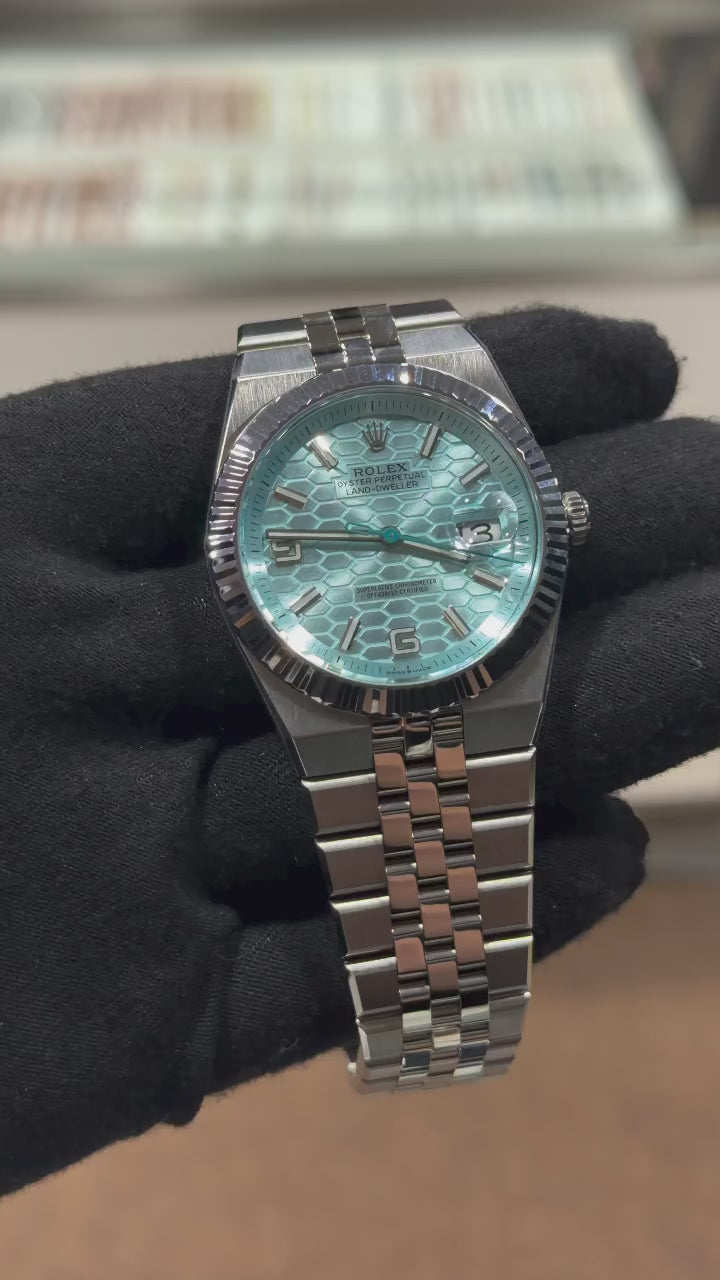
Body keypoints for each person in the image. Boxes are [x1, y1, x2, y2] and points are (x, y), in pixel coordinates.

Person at [0, 305, 718, 1197]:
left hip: (462, 655)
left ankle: (435, 1029)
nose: (387, 543)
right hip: (359, 661)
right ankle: (426, 1033)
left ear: (558, 516)